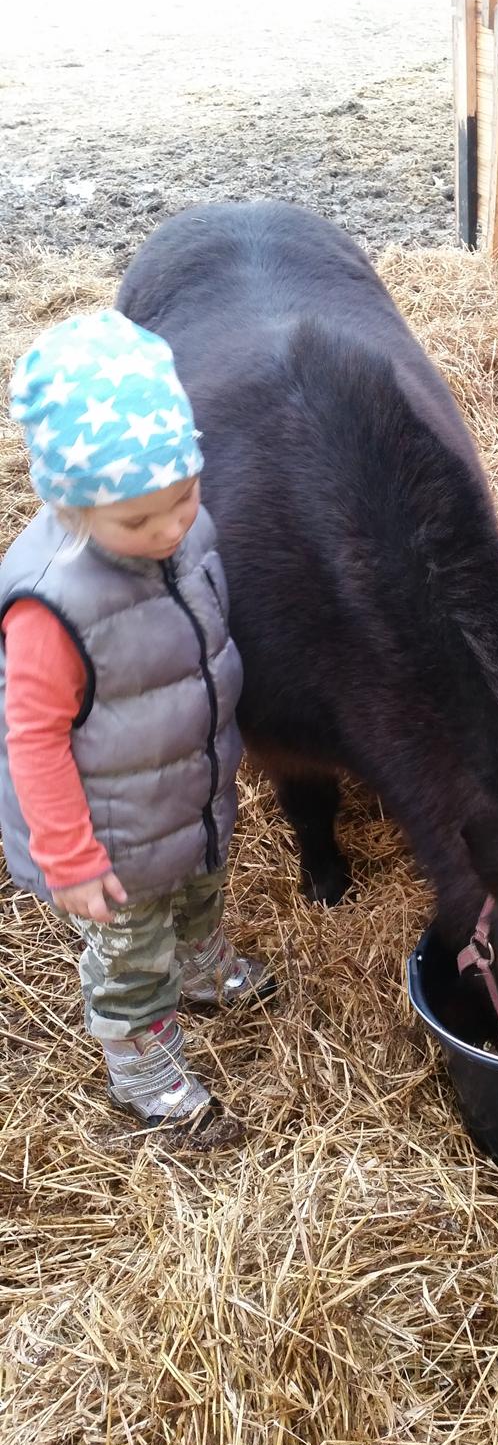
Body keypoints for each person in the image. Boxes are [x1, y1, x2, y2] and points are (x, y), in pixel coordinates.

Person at [0, 308, 273, 1137]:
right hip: (110, 841)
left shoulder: (188, 536)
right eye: (137, 520)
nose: (169, 528)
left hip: (184, 796)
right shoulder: (52, 606)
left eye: (184, 497)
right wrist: (69, 859)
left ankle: (202, 963)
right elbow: (32, 741)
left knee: (202, 888)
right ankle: (143, 1065)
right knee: (130, 954)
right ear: (71, 503)